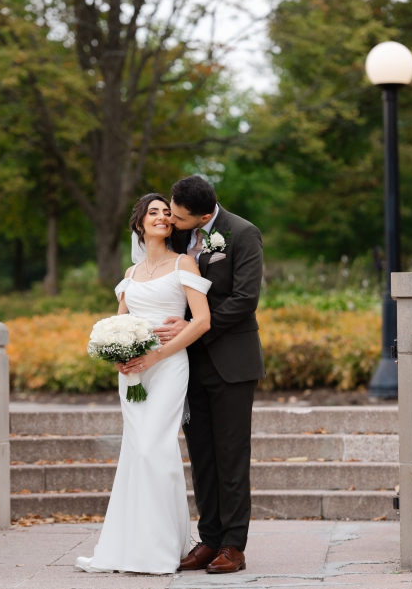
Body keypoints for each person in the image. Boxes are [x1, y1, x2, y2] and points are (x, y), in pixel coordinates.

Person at [76, 194, 212, 574]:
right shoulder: (130, 276)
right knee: (136, 453)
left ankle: (167, 546)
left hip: (167, 366)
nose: (163, 217)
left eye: (167, 213)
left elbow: (201, 321)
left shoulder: (183, 263)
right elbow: (118, 324)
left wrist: (156, 355)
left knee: (155, 448)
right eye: (154, 212)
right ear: (140, 223)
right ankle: (130, 546)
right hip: (134, 374)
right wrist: (118, 355)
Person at [156, 175, 267, 574]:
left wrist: (194, 330)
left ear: (205, 214)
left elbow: (245, 298)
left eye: (180, 216)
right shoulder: (176, 237)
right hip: (185, 366)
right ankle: (210, 539)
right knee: (202, 456)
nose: (173, 219)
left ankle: (233, 546)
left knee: (231, 455)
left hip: (232, 362)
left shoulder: (242, 233)